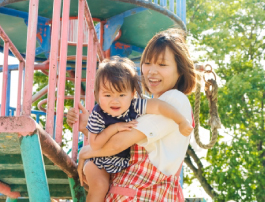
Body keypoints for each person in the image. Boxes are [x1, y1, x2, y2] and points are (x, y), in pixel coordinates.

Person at [67, 28, 197, 201]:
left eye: (162, 64)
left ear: (180, 70)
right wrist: (88, 128)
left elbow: (118, 143)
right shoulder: (144, 107)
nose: (152, 71)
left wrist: (86, 152)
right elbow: (116, 145)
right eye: (147, 63)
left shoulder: (173, 100)